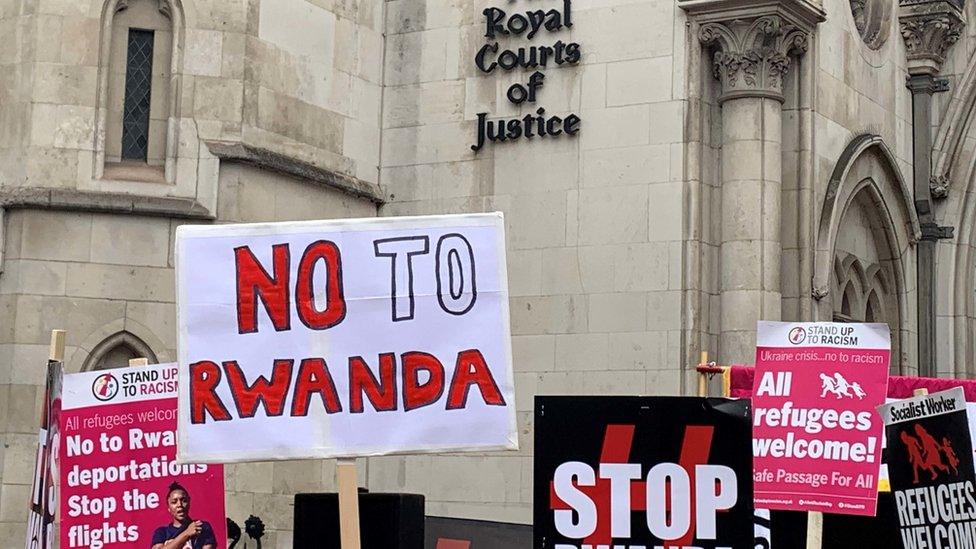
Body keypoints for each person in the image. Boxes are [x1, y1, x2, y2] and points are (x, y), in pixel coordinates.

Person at [151, 482, 216, 549]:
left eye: (184, 500)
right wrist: (186, 533)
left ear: (189, 503)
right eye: (174, 502)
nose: (179, 505)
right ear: (169, 508)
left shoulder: (201, 526)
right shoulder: (161, 532)